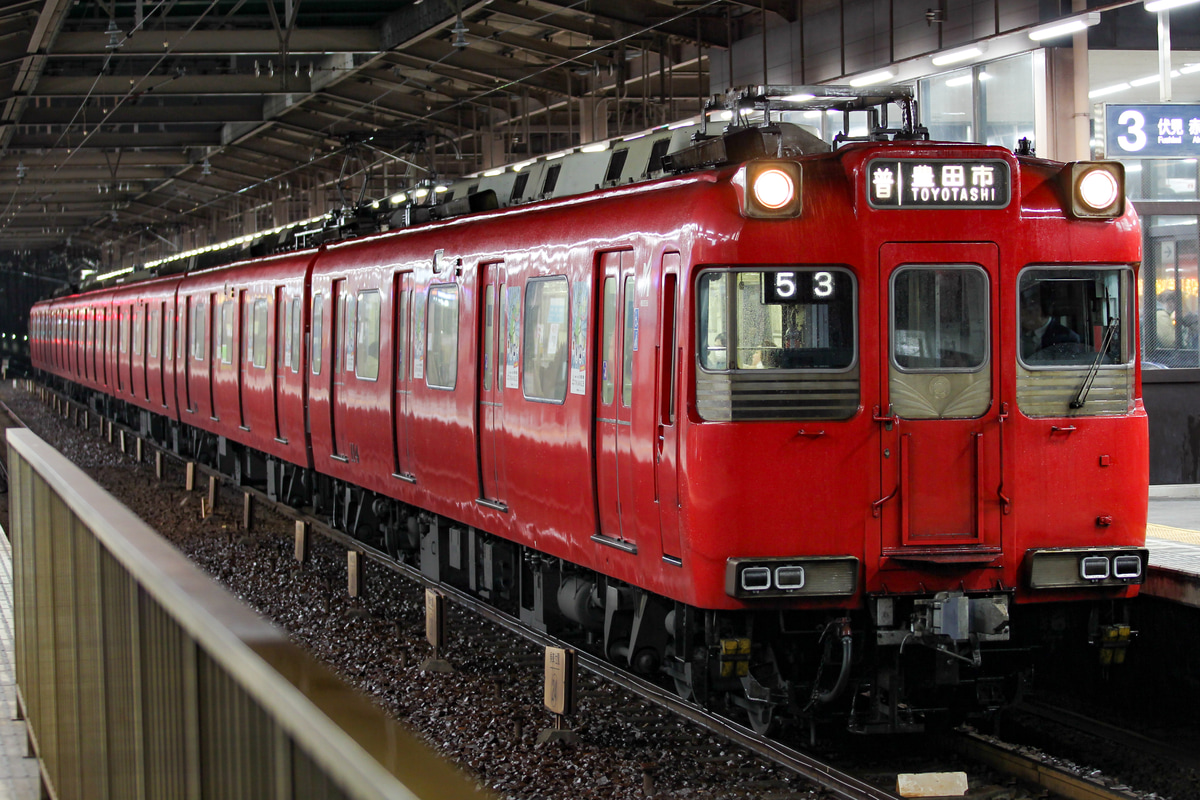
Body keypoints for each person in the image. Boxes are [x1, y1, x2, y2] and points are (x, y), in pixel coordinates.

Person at [1019, 287, 1080, 360]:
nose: (1022, 318)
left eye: (1028, 312)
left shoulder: (1067, 338)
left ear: (1040, 311)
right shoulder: (1020, 335)